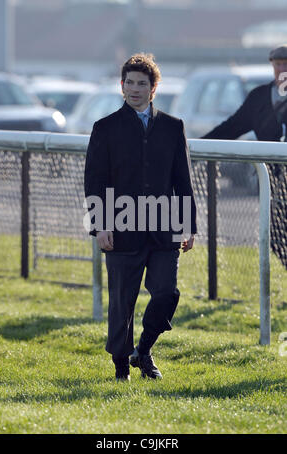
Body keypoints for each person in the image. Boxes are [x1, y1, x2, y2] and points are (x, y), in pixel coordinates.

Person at [84, 53, 197, 381]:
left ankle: (144, 350)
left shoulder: (173, 127)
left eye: (141, 84)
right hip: (120, 228)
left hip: (164, 230)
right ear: (122, 86)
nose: (134, 89)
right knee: (122, 304)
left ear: (153, 88)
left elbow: (183, 181)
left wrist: (188, 225)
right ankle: (122, 367)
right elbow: (95, 181)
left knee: (166, 293)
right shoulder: (104, 128)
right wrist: (100, 224)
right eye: (129, 83)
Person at [202, 44, 287, 270]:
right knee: (277, 238)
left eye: (286, 64)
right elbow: (233, 126)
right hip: (276, 182)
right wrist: (198, 145)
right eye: (278, 64)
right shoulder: (259, 97)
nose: (282, 69)